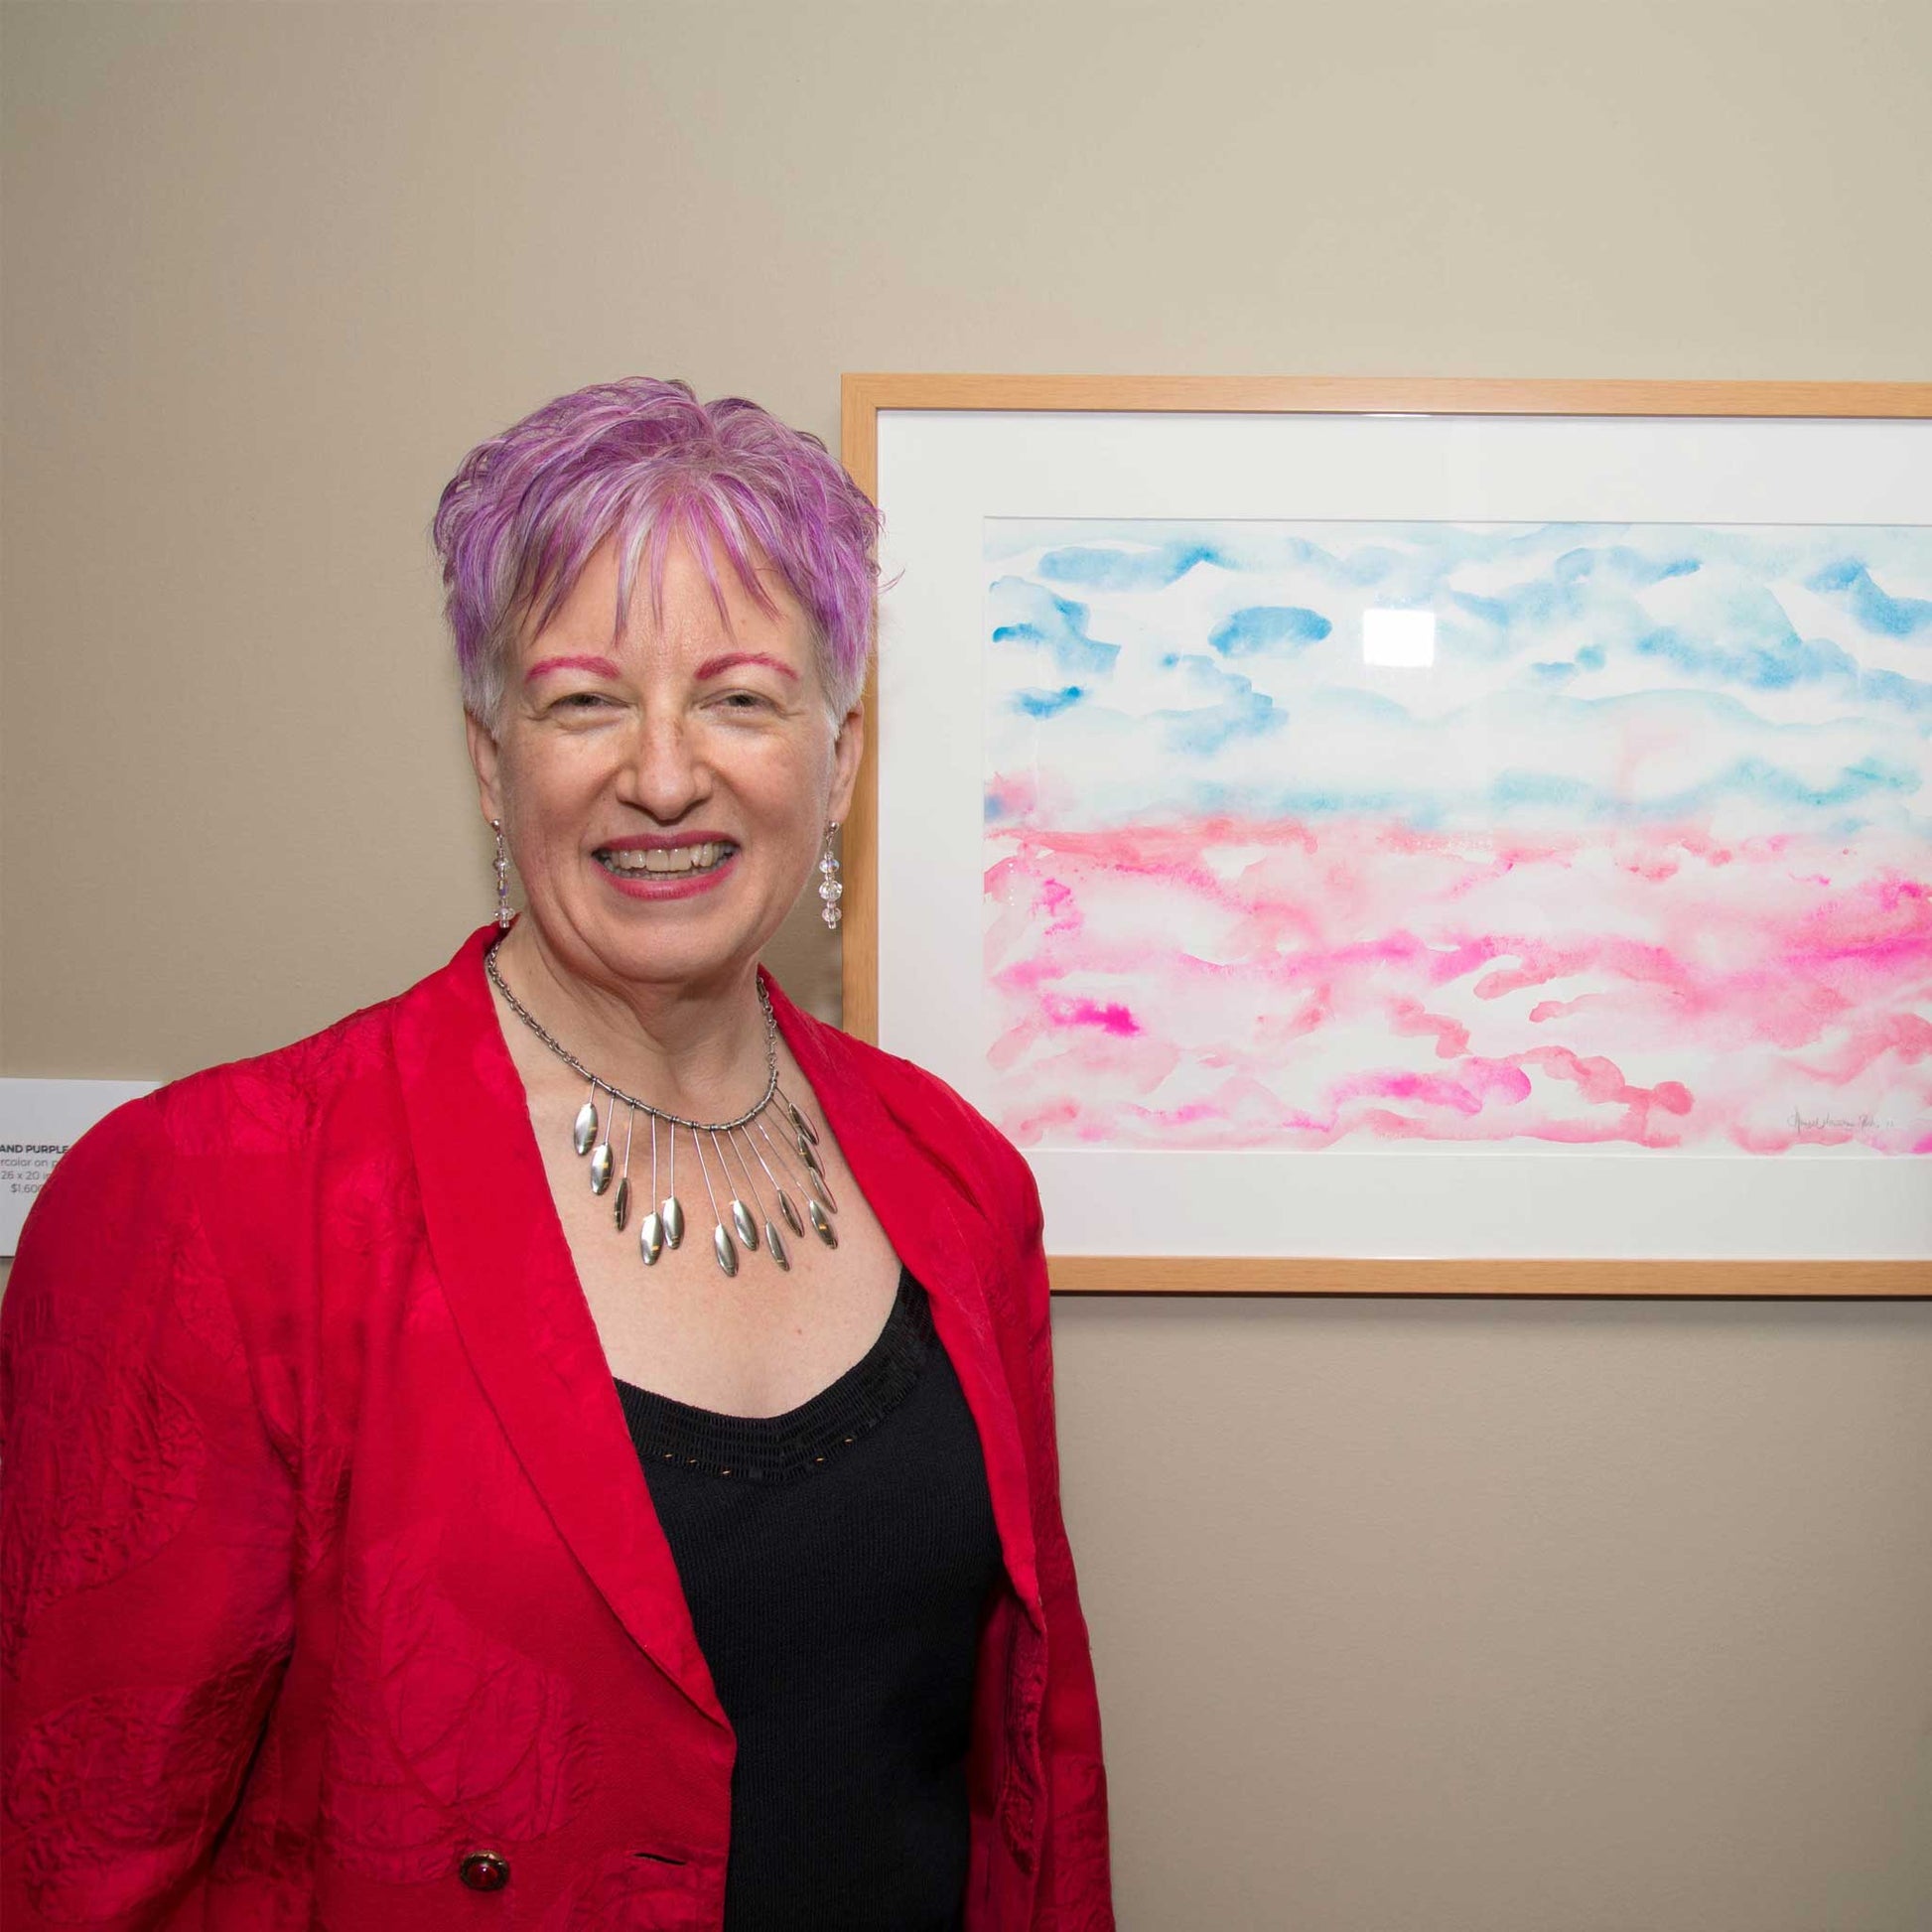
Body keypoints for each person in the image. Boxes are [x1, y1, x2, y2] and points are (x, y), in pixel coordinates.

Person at [0, 378, 1112, 1930]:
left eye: (740, 700)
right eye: (584, 702)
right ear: (490, 759)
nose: (662, 775)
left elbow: (1032, 1786)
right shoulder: (212, 1195)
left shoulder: (961, 1181)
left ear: (841, 757)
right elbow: (74, 1867)